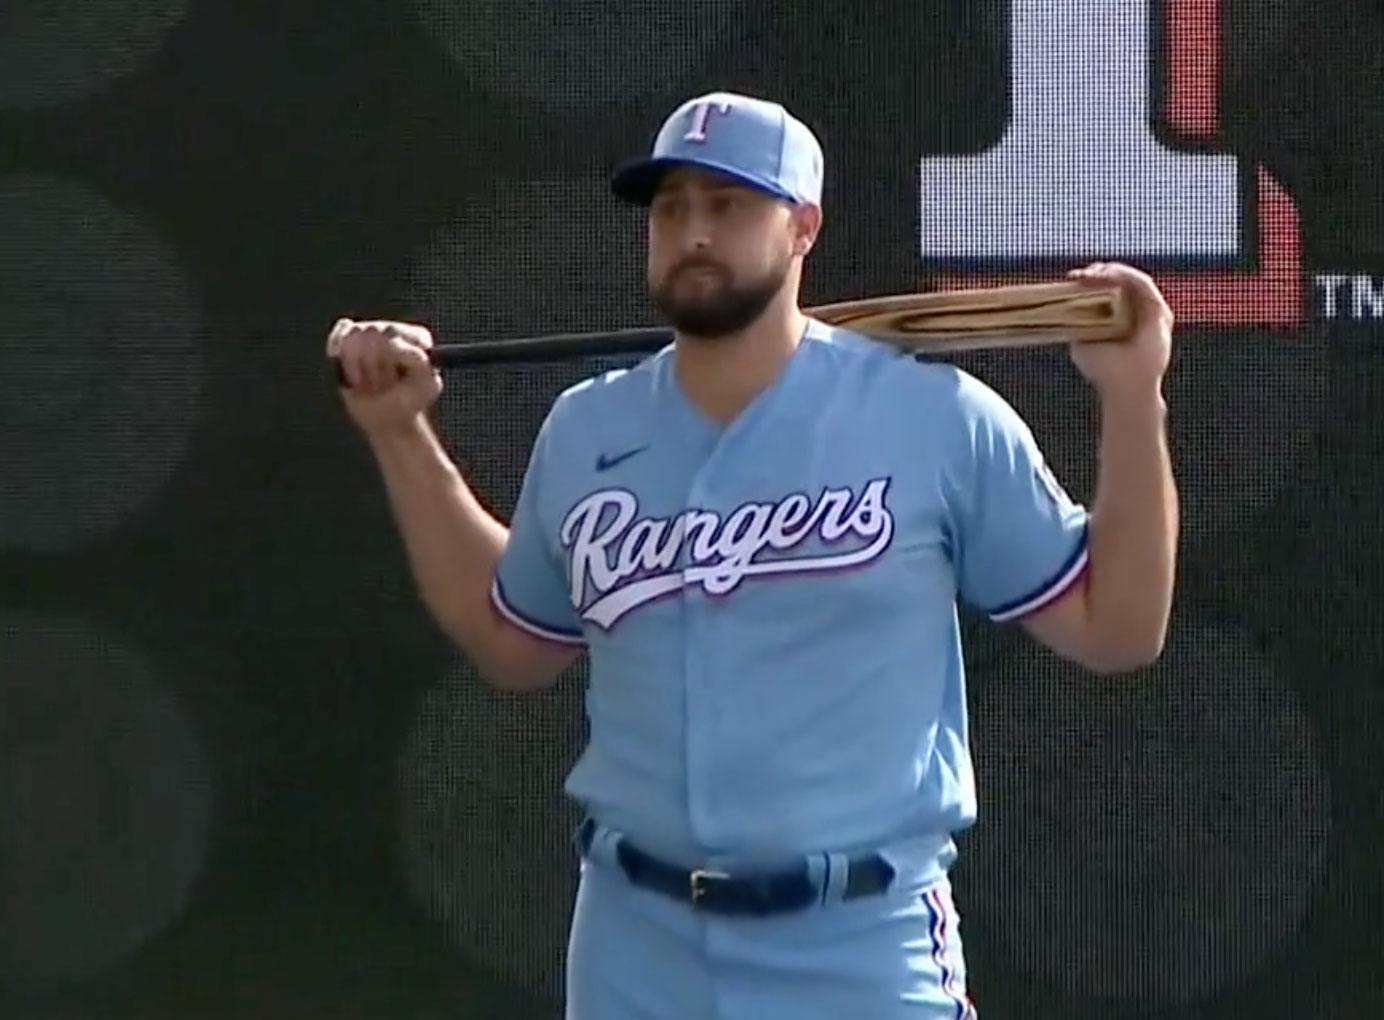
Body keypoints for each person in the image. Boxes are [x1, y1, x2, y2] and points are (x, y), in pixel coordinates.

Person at [328, 90, 1178, 1020]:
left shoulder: (933, 416)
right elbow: (513, 639)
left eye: (728, 204)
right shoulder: (588, 429)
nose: (694, 229)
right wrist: (400, 436)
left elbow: (1118, 625)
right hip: (634, 948)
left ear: (802, 226)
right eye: (672, 207)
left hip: (858, 945)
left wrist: (1132, 397)